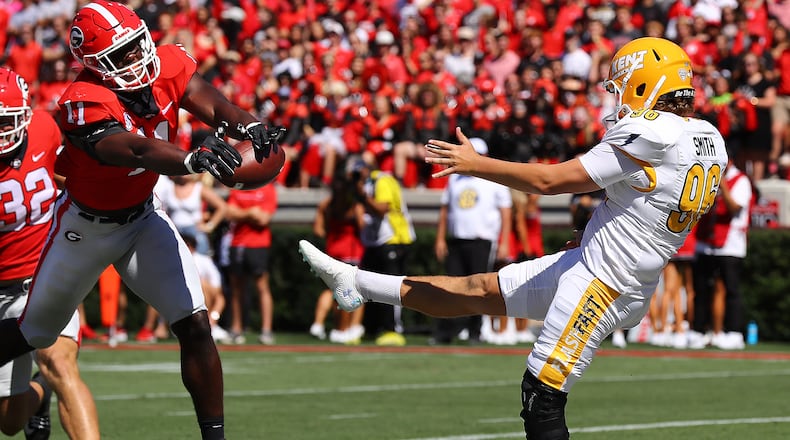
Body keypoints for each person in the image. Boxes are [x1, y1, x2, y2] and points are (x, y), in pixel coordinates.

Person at [299, 37, 728, 439]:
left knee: (541, 397)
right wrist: (597, 230)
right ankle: (355, 284)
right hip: (607, 270)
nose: (616, 101)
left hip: (603, 283)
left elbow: (549, 180)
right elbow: (649, 200)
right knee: (477, 289)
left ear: (643, 84)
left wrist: (475, 163)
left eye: (621, 89)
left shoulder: (654, 132)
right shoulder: (708, 137)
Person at [0, 2, 285, 439]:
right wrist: (190, 159)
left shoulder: (168, 62)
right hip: (84, 229)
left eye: (137, 46)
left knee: (194, 321)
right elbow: (134, 150)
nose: (136, 59)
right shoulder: (83, 99)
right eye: (122, 55)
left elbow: (212, 102)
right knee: (34, 332)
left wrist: (247, 124)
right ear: (94, 64)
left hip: (143, 219)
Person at [0, 67, 100, 440]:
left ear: (24, 115)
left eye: (4, 121)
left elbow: (65, 173)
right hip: (0, 290)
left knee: (60, 363)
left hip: (47, 273)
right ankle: (37, 396)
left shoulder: (43, 127)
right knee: (9, 422)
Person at [432, 138, 512, 345]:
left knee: (478, 287)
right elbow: (445, 210)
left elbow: (506, 213)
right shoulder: (455, 178)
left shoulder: (494, 179)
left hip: (482, 241)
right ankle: (446, 331)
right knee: (449, 286)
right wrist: (440, 238)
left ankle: (475, 331)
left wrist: (504, 242)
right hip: (457, 239)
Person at [689, 157, 753, 350]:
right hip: (706, 241)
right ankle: (699, 331)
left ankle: (733, 331)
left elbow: (735, 207)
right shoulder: (708, 175)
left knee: (730, 289)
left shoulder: (741, 180)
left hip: (730, 244)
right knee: (701, 290)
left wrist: (723, 186)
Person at [352, 156, 415, 346]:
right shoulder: (366, 184)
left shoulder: (382, 180)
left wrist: (362, 196)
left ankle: (392, 328)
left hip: (394, 239)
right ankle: (373, 328)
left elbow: (382, 208)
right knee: (369, 286)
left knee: (391, 287)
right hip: (376, 242)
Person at [309, 171, 366, 344]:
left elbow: (318, 230)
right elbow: (364, 227)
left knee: (331, 291)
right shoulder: (354, 206)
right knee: (356, 292)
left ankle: (319, 325)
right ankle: (349, 329)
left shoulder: (327, 205)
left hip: (333, 252)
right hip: (352, 253)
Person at [224, 181, 278, 345]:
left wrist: (242, 213)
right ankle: (236, 329)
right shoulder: (238, 187)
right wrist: (250, 212)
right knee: (236, 289)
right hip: (238, 244)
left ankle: (266, 330)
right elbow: (229, 213)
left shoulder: (267, 189)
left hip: (258, 244)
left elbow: (263, 218)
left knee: (262, 287)